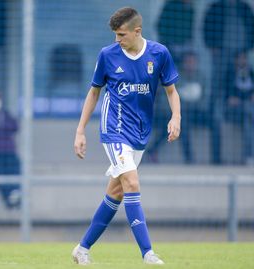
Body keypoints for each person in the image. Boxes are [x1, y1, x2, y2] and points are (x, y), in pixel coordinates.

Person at [72, 7, 180, 265]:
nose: (117, 40)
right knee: (131, 182)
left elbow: (172, 91)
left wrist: (176, 117)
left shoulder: (159, 54)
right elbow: (94, 93)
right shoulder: (108, 55)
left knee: (117, 191)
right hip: (114, 130)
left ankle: (82, 248)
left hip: (140, 133)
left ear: (137, 31)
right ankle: (148, 253)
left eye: (121, 35)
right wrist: (80, 131)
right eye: (115, 35)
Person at [203, 0, 254, 164]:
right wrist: (213, 47)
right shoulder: (216, 7)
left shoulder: (244, 7)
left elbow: (251, 26)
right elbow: (207, 27)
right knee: (218, 88)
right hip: (221, 52)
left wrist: (245, 49)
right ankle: (215, 110)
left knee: (240, 82)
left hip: (241, 50)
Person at [148, 51, 207, 164]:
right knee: (180, 123)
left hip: (196, 111)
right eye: (188, 62)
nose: (190, 64)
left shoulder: (201, 77)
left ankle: (152, 150)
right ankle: (189, 157)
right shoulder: (175, 76)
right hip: (174, 112)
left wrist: (187, 103)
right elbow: (168, 99)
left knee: (179, 122)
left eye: (192, 62)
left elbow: (204, 100)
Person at [225, 51, 254, 165]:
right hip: (234, 110)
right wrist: (231, 98)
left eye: (244, 58)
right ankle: (249, 155)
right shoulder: (230, 74)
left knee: (248, 122)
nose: (242, 61)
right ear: (235, 60)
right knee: (248, 111)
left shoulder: (251, 73)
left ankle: (248, 156)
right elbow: (227, 95)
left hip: (248, 111)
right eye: (239, 58)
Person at [156, 0, 194, 65]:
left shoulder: (190, 9)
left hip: (184, 46)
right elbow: (160, 25)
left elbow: (190, 28)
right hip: (171, 44)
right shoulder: (171, 6)